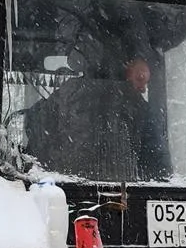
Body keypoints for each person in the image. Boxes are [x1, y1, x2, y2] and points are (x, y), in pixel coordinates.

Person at [26, 55, 154, 180]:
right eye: (140, 78)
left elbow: (37, 127)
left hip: (65, 189)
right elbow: (157, 165)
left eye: (146, 82)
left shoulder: (68, 93)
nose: (143, 89)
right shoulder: (141, 110)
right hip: (125, 191)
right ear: (125, 69)